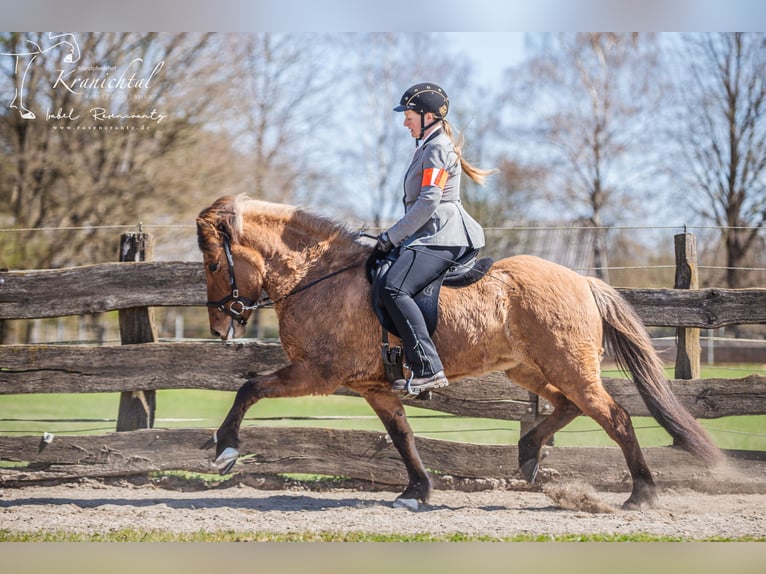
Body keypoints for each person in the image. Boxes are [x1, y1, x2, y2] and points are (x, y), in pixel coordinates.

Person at [376, 82, 495, 395]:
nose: (405, 121)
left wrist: (392, 235)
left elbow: (429, 201)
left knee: (394, 287)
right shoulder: (427, 145)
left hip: (442, 235)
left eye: (409, 115)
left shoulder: (437, 147)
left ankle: (428, 368)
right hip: (428, 234)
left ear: (428, 116)